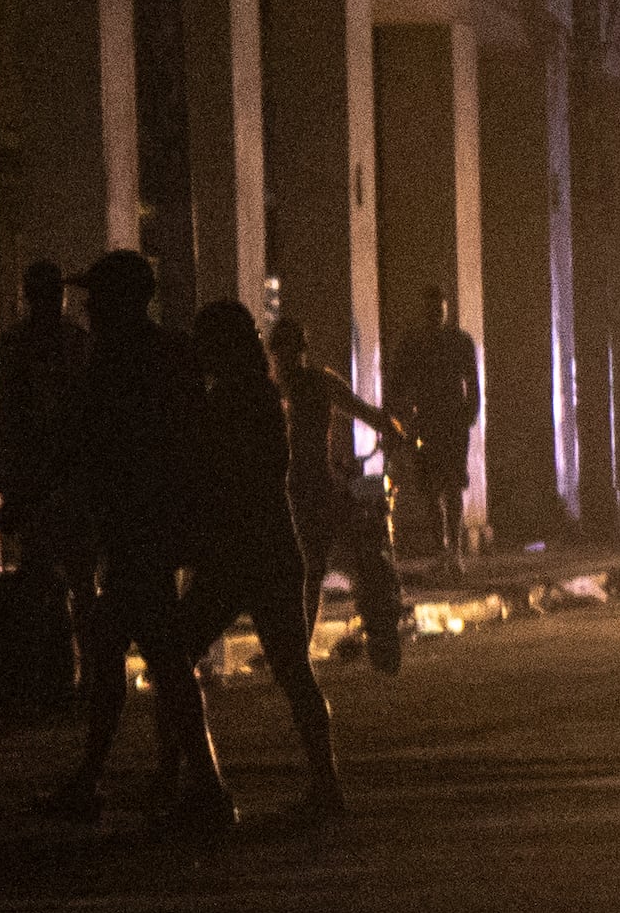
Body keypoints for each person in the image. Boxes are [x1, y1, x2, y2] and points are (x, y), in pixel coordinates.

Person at [36, 249, 230, 832]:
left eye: (97, 296)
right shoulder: (163, 354)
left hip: (138, 528)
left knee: (157, 659)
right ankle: (99, 778)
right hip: (147, 528)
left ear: (123, 300)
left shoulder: (121, 360)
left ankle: (205, 790)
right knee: (119, 650)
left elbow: (85, 436)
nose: (87, 306)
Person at [183, 300, 343, 815]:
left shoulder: (231, 401)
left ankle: (195, 788)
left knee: (175, 656)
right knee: (295, 672)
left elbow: (216, 476)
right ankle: (326, 784)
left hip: (237, 554)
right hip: (273, 549)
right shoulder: (263, 396)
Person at [0, 258, 92, 720]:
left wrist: (1, 473)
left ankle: (52, 672)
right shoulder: (75, 343)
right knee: (79, 581)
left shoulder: (17, 344)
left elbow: (2, 409)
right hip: (68, 480)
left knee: (44, 577)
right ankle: (80, 674)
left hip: (38, 480)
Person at [270, 305, 410, 677]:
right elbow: (368, 413)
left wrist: (389, 426)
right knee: (328, 561)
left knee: (313, 566)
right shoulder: (307, 384)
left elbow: (365, 412)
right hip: (308, 485)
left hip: (305, 485)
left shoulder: (285, 388)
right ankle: (304, 645)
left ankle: (301, 647)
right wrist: (391, 429)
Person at [389, 284, 482, 571]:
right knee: (430, 487)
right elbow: (397, 384)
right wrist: (403, 418)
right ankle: (444, 548)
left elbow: (473, 383)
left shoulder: (459, 342)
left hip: (451, 423)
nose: (435, 316)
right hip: (427, 423)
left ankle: (452, 549)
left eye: (438, 311)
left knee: (451, 485)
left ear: (445, 311)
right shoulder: (412, 344)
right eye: (431, 311)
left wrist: (469, 413)